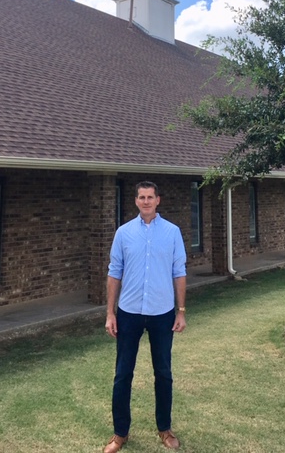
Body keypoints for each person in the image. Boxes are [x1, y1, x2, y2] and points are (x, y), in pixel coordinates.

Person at [104, 181, 187, 453]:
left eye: (150, 197)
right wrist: (110, 313)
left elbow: (179, 272)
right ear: (136, 201)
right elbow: (114, 272)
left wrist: (181, 311)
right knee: (122, 374)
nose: (146, 201)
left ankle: (165, 428)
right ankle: (120, 434)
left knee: (163, 373)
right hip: (128, 314)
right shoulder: (123, 233)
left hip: (162, 313)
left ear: (158, 200)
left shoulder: (172, 232)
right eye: (142, 197)